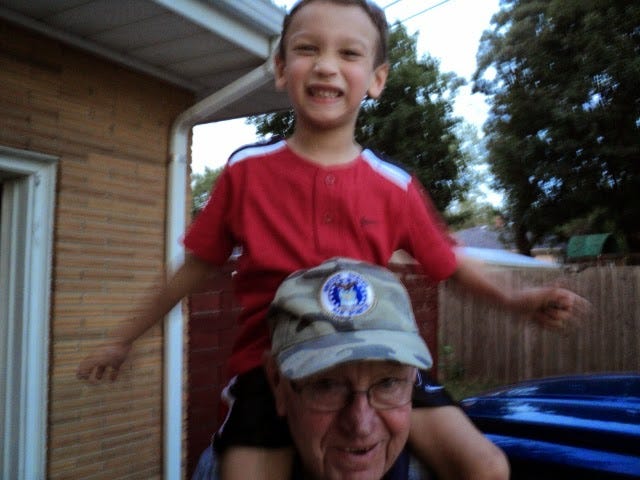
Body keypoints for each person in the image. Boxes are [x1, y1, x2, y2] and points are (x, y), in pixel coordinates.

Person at [77, 1, 590, 479]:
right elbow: (195, 265)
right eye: (308, 49)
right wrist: (124, 338)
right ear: (282, 69)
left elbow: (448, 263)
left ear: (377, 79)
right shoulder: (246, 172)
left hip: (378, 363)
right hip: (274, 367)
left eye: (348, 53)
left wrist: (516, 300)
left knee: (486, 466)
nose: (326, 66)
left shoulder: (394, 186)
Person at [194, 257, 450, 479]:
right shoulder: (220, 471)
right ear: (277, 383)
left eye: (388, 383)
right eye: (327, 385)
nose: (361, 425)